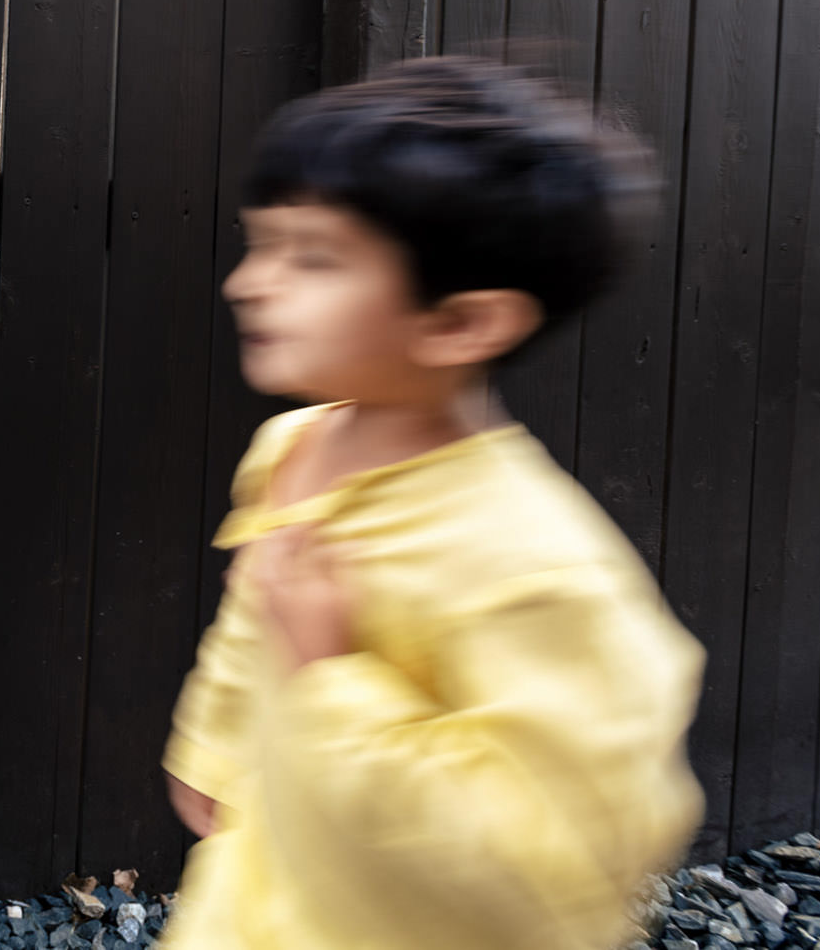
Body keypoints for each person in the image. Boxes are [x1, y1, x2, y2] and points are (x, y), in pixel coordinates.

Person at [160, 56, 704, 950]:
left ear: (461, 323)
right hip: (261, 896)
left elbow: (550, 874)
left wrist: (329, 683)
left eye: (313, 256)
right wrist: (213, 744)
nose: (248, 282)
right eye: (259, 242)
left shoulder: (533, 565)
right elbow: (253, 622)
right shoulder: (292, 447)